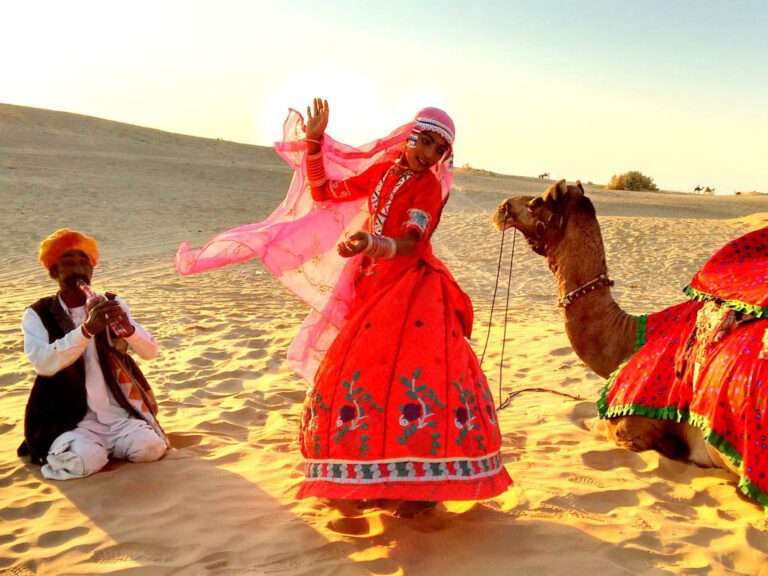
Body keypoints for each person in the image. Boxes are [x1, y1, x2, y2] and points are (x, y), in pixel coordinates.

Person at [176, 100, 511, 515]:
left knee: (414, 379)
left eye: (438, 150)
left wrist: (373, 243)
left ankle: (421, 485)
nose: (428, 154)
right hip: (371, 285)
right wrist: (314, 142)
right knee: (364, 377)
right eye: (424, 142)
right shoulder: (384, 172)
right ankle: (365, 475)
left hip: (411, 289)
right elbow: (325, 193)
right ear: (409, 136)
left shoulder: (426, 186)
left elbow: (413, 243)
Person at [19, 229, 168, 480]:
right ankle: (77, 450)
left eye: (84, 262)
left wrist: (129, 330)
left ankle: (106, 447)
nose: (78, 269)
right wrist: (87, 330)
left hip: (117, 412)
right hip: (71, 419)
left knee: (150, 448)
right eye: (69, 262)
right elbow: (43, 363)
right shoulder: (37, 313)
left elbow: (150, 352)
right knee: (86, 460)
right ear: (54, 271)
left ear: (91, 270)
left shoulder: (110, 302)